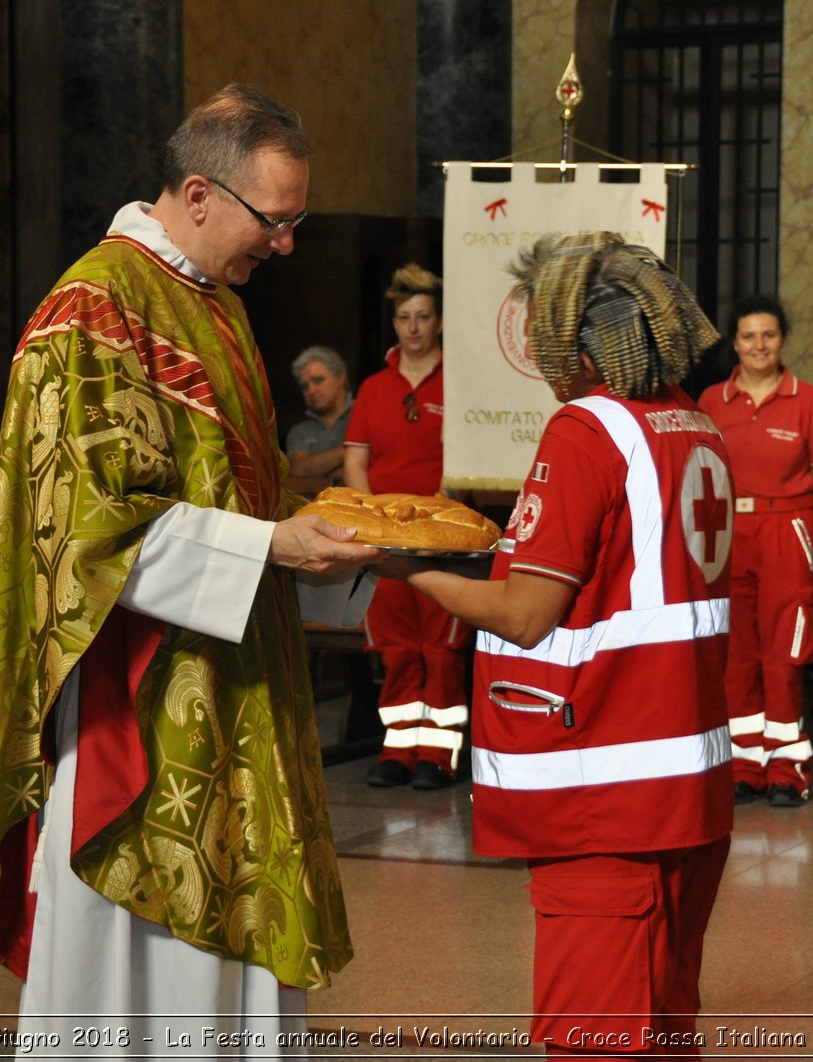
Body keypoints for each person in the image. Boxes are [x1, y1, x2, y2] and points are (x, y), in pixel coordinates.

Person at [0, 84, 381, 1054]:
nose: (287, 243)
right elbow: (87, 528)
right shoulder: (92, 309)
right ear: (198, 193)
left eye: (299, 221)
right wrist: (271, 544)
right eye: (277, 220)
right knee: (139, 972)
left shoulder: (208, 304)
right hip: (136, 701)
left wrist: (309, 534)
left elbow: (227, 490)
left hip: (233, 678)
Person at [380, 233, 734, 1053]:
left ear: (582, 344)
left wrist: (402, 566)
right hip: (686, 781)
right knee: (663, 1022)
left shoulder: (587, 430)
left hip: (606, 790)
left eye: (544, 329)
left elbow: (526, 613)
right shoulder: (692, 422)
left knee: (594, 1036)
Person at [697, 295, 813, 807]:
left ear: (783, 341)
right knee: (737, 652)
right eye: (749, 336)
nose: (759, 345)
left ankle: (787, 769)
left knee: (784, 650)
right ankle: (744, 766)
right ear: (734, 343)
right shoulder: (712, 401)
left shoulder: (807, 400)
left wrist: (797, 522)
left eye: (769, 335)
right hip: (729, 531)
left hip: (787, 528)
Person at [342, 263, 469, 790]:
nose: (413, 326)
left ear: (439, 323)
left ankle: (438, 756)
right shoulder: (374, 387)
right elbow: (356, 460)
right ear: (394, 324)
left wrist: (443, 509)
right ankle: (397, 749)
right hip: (387, 538)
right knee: (395, 646)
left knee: (442, 645)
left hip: (441, 536)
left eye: (423, 316)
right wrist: (369, 518)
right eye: (403, 317)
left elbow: (468, 457)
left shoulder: (461, 383)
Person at [285, 344, 352, 495]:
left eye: (318, 380)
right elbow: (297, 470)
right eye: (304, 386)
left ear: (340, 377)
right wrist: (349, 450)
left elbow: (374, 471)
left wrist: (313, 476)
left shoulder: (364, 415)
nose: (311, 390)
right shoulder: (299, 431)